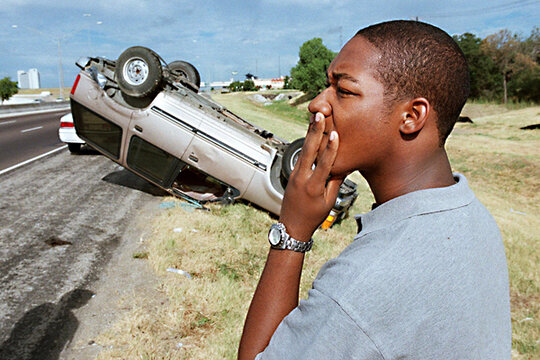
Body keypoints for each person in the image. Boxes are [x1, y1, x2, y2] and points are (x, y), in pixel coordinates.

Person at [238, 20, 511, 360]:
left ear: (411, 116)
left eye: (344, 91)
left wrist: (292, 232)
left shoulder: (365, 284)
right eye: (328, 86)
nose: (317, 105)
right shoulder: (469, 213)